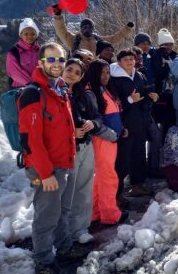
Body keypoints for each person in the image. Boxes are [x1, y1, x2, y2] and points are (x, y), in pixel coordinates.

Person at [18, 42, 85, 272]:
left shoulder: (60, 90)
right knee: (46, 216)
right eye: (51, 60)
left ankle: (64, 247)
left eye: (60, 60)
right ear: (41, 62)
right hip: (46, 169)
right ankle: (43, 260)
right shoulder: (33, 94)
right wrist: (45, 174)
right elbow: (31, 141)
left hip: (63, 163)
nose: (57, 64)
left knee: (62, 211)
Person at [62, 59, 103, 244]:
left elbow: (97, 117)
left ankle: (80, 229)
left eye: (77, 72)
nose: (72, 74)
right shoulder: (55, 94)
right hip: (66, 151)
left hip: (86, 147)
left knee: (84, 190)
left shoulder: (84, 95)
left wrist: (92, 124)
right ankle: (63, 233)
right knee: (66, 193)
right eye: (69, 69)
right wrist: (70, 134)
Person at [109, 49, 159, 197]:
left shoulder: (139, 75)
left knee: (139, 155)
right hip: (125, 124)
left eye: (132, 59)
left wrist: (152, 97)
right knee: (123, 158)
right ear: (119, 62)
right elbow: (112, 101)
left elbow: (143, 96)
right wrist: (130, 101)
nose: (130, 62)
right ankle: (116, 194)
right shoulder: (114, 78)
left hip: (140, 121)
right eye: (126, 59)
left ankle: (137, 185)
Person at [85, 60, 127, 225]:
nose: (105, 76)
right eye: (102, 73)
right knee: (108, 176)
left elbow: (112, 114)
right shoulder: (91, 92)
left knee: (101, 177)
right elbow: (96, 119)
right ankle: (110, 214)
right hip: (103, 139)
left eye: (107, 72)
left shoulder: (104, 90)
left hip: (110, 138)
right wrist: (111, 134)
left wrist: (121, 128)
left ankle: (96, 212)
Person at [52, 11, 133, 55]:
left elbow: (114, 38)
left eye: (89, 27)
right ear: (81, 28)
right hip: (81, 69)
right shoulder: (74, 39)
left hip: (97, 69)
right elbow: (61, 31)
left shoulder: (98, 39)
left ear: (93, 28)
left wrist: (127, 28)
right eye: (84, 26)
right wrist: (58, 17)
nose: (87, 29)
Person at [6, 18, 41, 88]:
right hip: (20, 88)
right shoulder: (14, 52)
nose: (30, 36)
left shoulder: (41, 50)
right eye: (26, 34)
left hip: (39, 87)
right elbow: (15, 73)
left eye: (33, 34)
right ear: (21, 35)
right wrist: (31, 84)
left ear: (36, 35)